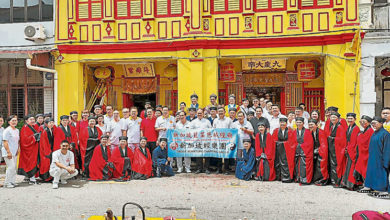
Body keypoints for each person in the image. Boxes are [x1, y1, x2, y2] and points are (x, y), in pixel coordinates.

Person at [359, 117, 390, 199]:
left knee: (382, 173)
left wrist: (386, 161)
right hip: (373, 157)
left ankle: (384, 190)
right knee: (372, 173)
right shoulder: (375, 133)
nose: (373, 125)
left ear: (381, 123)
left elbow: (387, 148)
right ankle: (374, 188)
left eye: (375, 123)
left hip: (381, 158)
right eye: (372, 124)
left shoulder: (385, 134)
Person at [272, 118, 297, 182]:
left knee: (286, 163)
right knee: (278, 163)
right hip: (278, 150)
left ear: (286, 124)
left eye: (284, 123)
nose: (282, 124)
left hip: (287, 151)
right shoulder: (276, 131)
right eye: (281, 122)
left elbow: (292, 142)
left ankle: (286, 177)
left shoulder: (290, 131)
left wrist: (283, 143)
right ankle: (278, 177)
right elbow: (273, 140)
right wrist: (281, 143)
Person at [341, 113, 361, 190]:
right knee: (348, 167)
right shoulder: (349, 127)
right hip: (349, 149)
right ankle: (347, 183)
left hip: (353, 150)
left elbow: (354, 142)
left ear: (355, 119)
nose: (349, 120)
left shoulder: (356, 128)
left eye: (351, 118)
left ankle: (351, 184)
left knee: (351, 167)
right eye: (348, 118)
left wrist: (348, 149)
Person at [18, 115, 40, 184]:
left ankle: (29, 177)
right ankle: (32, 179)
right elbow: (24, 140)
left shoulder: (33, 127)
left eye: (33, 119)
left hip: (33, 148)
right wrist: (34, 137)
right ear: (26, 121)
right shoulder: (25, 128)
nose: (33, 120)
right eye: (31, 119)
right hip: (28, 149)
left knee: (33, 162)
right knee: (30, 163)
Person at [327, 112, 347, 187]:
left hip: (338, 149)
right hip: (333, 149)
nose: (332, 119)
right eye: (331, 117)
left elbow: (342, 139)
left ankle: (338, 181)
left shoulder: (339, 127)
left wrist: (331, 138)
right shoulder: (332, 126)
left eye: (334, 117)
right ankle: (334, 180)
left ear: (338, 119)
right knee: (333, 165)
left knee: (337, 165)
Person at [190, 108, 212, 174]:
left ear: (203, 114)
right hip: (197, 141)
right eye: (198, 113)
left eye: (201, 113)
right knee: (198, 155)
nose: (199, 114)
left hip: (206, 141)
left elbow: (210, 130)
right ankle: (199, 169)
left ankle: (206, 169)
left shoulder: (207, 121)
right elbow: (190, 131)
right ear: (196, 114)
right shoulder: (193, 122)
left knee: (207, 155)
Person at [354, 115, 374, 184]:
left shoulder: (370, 131)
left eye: (364, 122)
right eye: (361, 122)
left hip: (366, 153)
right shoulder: (365, 130)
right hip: (362, 153)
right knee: (362, 168)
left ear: (369, 123)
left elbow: (364, 142)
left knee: (365, 169)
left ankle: (367, 185)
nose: (362, 123)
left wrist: (359, 136)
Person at [213, 107, 233, 174]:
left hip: (227, 140)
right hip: (218, 140)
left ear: (225, 112)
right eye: (219, 111)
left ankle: (226, 169)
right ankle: (219, 169)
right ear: (217, 112)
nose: (220, 113)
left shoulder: (229, 120)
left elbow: (231, 130)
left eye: (222, 111)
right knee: (219, 155)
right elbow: (214, 130)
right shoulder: (215, 120)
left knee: (226, 156)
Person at [293, 117, 314, 185]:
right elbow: (292, 143)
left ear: (303, 123)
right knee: (297, 166)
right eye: (297, 122)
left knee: (304, 166)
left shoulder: (307, 132)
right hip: (297, 153)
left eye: (300, 122)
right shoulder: (294, 132)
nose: (298, 124)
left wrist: (301, 146)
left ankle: (304, 179)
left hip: (305, 153)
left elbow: (310, 143)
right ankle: (298, 178)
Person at [309, 119, 328, 185]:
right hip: (315, 151)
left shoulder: (320, 132)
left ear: (316, 125)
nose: (310, 126)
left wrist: (318, 150)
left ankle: (322, 179)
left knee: (320, 164)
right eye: (309, 124)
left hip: (321, 151)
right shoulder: (311, 132)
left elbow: (323, 144)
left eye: (312, 124)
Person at [2, 115, 19, 188]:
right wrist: (8, 152)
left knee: (14, 167)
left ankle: (12, 181)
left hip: (14, 152)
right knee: (10, 167)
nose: (14, 122)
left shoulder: (17, 130)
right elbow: (5, 142)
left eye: (15, 120)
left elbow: (17, 141)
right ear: (9, 122)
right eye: (13, 120)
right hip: (8, 152)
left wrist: (18, 149)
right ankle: (7, 183)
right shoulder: (7, 130)